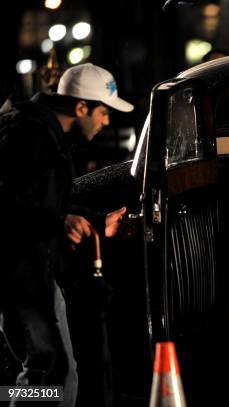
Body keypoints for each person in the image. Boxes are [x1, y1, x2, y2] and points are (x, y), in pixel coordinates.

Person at [0, 63, 133, 407]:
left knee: (51, 371)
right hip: (23, 273)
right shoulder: (29, 135)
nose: (107, 122)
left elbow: (49, 202)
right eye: (104, 112)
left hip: (32, 270)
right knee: (51, 371)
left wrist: (94, 221)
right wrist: (59, 223)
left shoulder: (43, 134)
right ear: (80, 107)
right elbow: (14, 208)